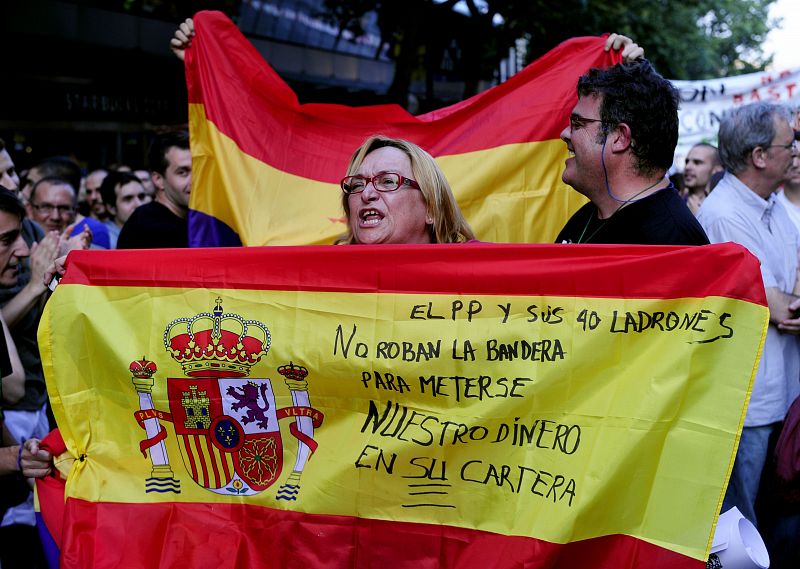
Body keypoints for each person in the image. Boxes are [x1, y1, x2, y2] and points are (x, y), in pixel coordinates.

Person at [697, 102, 800, 529]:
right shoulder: (724, 216)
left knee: (779, 521)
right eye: (789, 144)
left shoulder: (773, 206)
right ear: (759, 155)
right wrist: (787, 302)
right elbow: (780, 306)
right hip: (751, 405)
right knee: (743, 529)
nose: (796, 151)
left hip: (784, 395)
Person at [555, 59, 708, 245]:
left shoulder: (676, 241)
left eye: (578, 123)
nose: (564, 134)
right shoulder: (582, 221)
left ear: (620, 137)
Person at [339, 135, 474, 244]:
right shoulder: (328, 268)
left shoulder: (476, 265)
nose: (366, 194)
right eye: (357, 185)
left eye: (388, 181)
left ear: (431, 209)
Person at [117, 131, 191, 249]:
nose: (194, 180)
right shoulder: (146, 228)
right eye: (182, 172)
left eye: (198, 170)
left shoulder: (198, 220)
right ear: (158, 180)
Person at [99, 171, 152, 248]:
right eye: (128, 199)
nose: (139, 204)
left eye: (141, 197)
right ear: (111, 208)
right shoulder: (105, 240)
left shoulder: (153, 230)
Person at [683, 142, 723, 215]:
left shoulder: (723, 206)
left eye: (697, 162)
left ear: (716, 169)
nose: (687, 167)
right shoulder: (676, 201)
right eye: (687, 162)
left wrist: (699, 217)